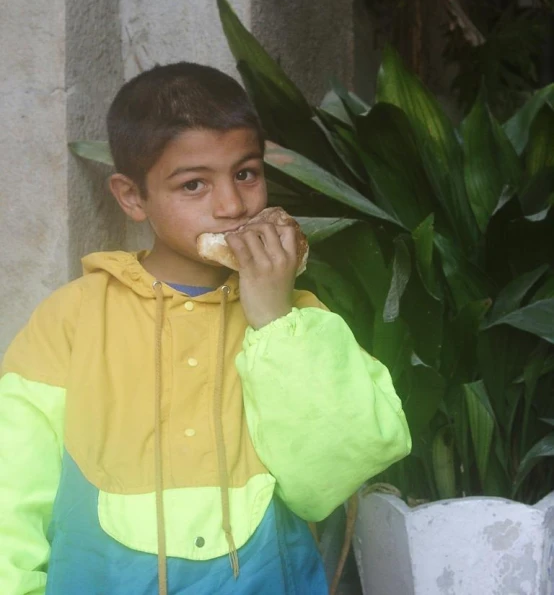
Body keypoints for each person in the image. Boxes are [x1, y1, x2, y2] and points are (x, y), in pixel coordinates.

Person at [0, 62, 411, 595]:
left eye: (246, 173)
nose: (233, 206)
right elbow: (11, 490)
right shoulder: (73, 318)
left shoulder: (300, 316)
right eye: (193, 184)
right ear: (131, 196)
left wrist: (273, 317)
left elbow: (323, 485)